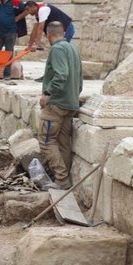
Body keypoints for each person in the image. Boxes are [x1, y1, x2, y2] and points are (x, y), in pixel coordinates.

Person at [39, 21, 83, 190]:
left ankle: (61, 178)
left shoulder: (57, 49)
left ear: (49, 35)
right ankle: (64, 180)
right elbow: (79, 77)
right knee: (63, 143)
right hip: (70, 104)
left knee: (46, 141)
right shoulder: (73, 48)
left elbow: (61, 74)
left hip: (56, 104)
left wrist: (47, 93)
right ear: (63, 32)